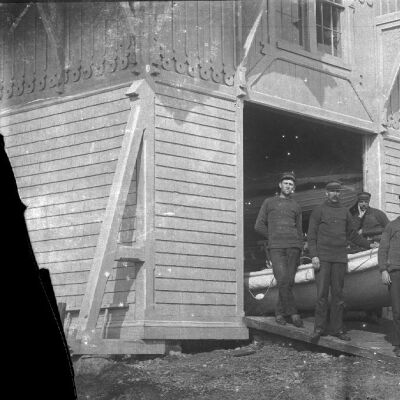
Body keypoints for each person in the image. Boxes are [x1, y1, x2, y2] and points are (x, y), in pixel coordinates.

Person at [308, 181, 377, 342]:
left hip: (339, 258)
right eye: (332, 191)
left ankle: (337, 329)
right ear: (326, 193)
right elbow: (311, 236)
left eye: (338, 191)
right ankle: (319, 329)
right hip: (323, 259)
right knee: (322, 295)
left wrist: (369, 245)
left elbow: (352, 234)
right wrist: (314, 256)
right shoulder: (318, 210)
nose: (335, 194)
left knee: (338, 295)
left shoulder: (345, 212)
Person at [255, 171, 304, 327]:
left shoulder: (296, 206)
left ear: (293, 187)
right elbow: (258, 225)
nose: (288, 186)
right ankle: (294, 313)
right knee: (282, 279)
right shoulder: (269, 202)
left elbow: (299, 230)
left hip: (294, 248)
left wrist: (300, 247)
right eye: (286, 183)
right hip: (276, 248)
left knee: (288, 281)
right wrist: (272, 236)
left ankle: (279, 313)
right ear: (280, 185)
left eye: (291, 184)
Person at [378, 196, 400, 357]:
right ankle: (399, 344)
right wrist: (383, 270)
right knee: (398, 311)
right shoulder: (391, 226)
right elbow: (382, 249)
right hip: (395, 273)